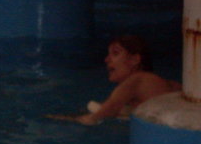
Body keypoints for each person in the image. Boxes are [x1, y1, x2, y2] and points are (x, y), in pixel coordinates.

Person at [48, 35, 181, 125]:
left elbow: (105, 112)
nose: (107, 59)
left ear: (134, 59)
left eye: (115, 53)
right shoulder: (158, 84)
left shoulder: (137, 79)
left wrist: (73, 120)